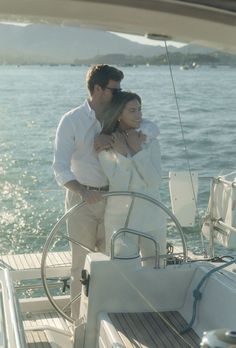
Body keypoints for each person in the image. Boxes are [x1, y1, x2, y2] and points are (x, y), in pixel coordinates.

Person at [53, 64, 124, 319]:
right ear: (98, 89)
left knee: (110, 265)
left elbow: (144, 135)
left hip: (114, 200)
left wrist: (115, 140)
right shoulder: (71, 120)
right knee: (80, 267)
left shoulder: (120, 118)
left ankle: (105, 324)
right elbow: (60, 168)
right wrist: (83, 192)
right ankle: (78, 326)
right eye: (114, 89)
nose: (119, 94)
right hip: (81, 200)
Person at [96, 91, 166, 266]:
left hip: (152, 217)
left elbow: (155, 181)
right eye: (132, 111)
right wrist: (125, 154)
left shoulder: (149, 141)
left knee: (157, 272)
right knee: (123, 272)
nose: (139, 115)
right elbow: (121, 184)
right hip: (121, 221)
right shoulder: (106, 145)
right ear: (119, 114)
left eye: (140, 110)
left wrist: (136, 150)